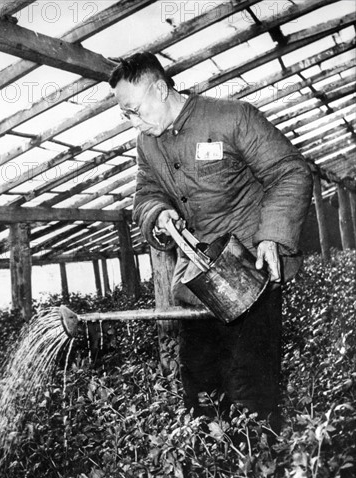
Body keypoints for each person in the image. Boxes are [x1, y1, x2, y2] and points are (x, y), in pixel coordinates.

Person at [109, 52, 313, 430]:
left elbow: (290, 172)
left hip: (250, 273)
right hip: (199, 283)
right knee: (200, 387)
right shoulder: (147, 144)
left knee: (250, 384)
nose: (133, 122)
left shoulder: (231, 117)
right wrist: (158, 213)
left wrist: (271, 237)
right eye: (126, 115)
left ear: (160, 87)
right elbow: (146, 193)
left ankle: (260, 471)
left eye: (135, 110)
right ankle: (212, 466)